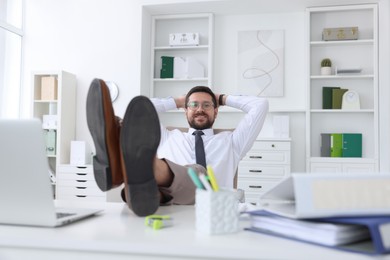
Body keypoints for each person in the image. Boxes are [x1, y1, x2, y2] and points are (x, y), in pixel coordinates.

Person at [86, 79, 268, 217]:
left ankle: (125, 166)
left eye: (207, 105)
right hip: (174, 211)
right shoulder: (168, 136)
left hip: (214, 212)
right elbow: (142, 109)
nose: (200, 109)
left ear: (216, 111)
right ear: (185, 110)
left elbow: (260, 105)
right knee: (131, 126)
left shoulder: (233, 141)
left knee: (198, 172)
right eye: (193, 105)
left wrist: (221, 98)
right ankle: (127, 153)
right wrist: (179, 101)